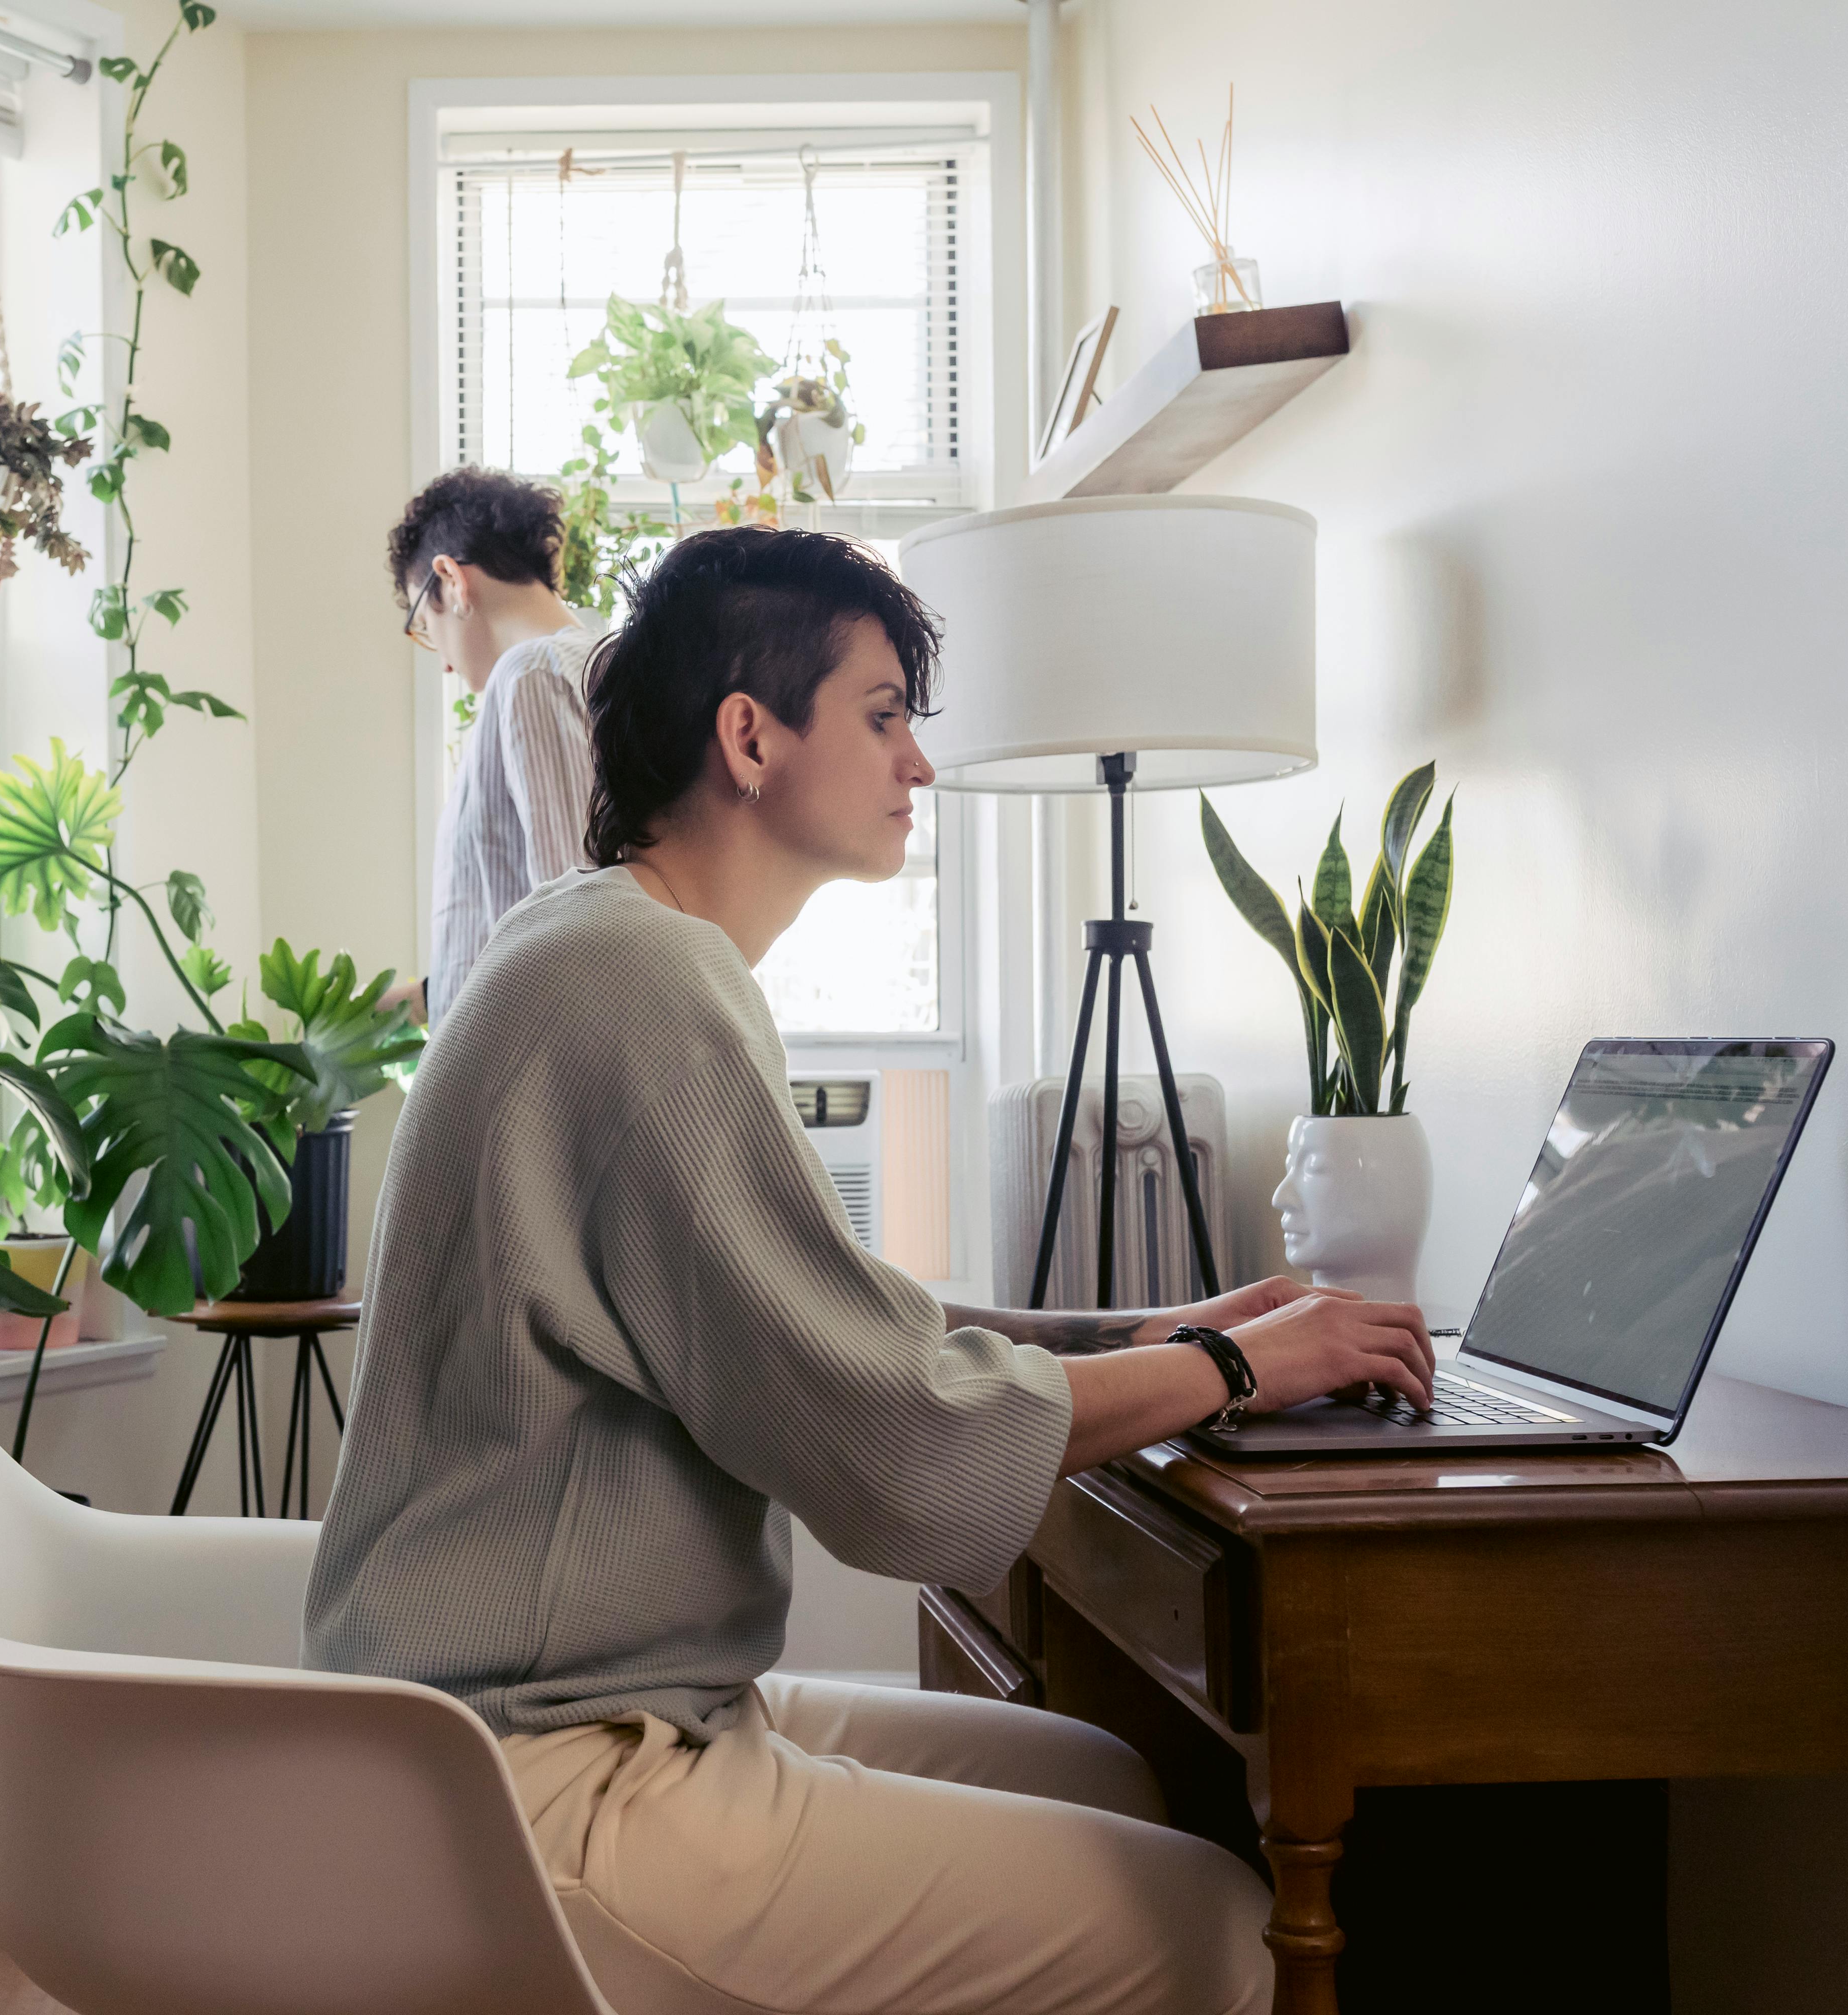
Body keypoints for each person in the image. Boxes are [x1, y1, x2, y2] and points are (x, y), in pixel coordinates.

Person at [307, 526, 1436, 2015]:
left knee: (1110, 1773)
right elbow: (891, 1442)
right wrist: (1230, 1371)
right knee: (1222, 1929)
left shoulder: (606, 948)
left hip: (532, 1732)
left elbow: (819, 1314)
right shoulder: (641, 987)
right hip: (547, 1784)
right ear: (749, 736)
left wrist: (1142, 1330)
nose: (917, 765)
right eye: (884, 715)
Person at [383, 467, 600, 1023]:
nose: (447, 662)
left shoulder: (533, 673)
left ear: (451, 580)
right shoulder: (590, 668)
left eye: (424, 628)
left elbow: (575, 919)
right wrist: (432, 996)